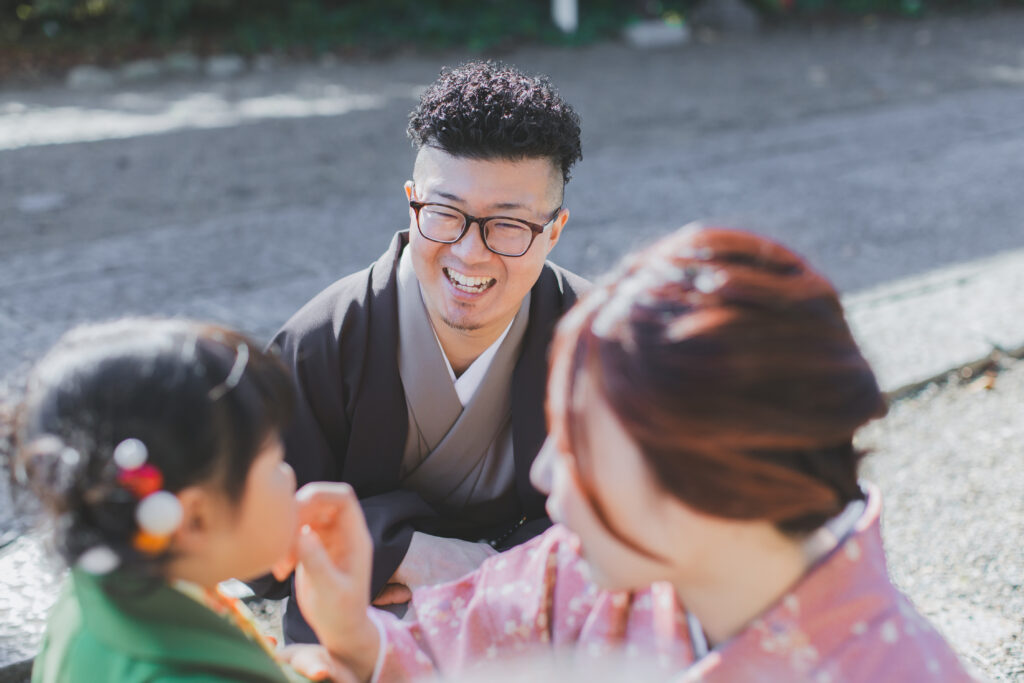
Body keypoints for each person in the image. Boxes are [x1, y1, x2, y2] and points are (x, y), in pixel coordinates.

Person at [282, 226, 975, 682]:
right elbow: (429, 653)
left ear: (712, 474)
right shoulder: (578, 572)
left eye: (583, 446)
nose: (546, 475)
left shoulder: (900, 667)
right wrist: (352, 627)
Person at [253, 60, 589, 642]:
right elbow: (254, 543)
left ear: (553, 230)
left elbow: (654, 518)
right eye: (445, 214)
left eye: (507, 225)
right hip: (367, 636)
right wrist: (401, 548)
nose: (469, 252)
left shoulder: (598, 341)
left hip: (543, 629)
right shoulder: (323, 341)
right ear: (412, 204)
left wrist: (491, 569)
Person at [7, 319, 324, 682]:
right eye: (273, 463)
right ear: (194, 518)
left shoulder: (96, 592)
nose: (288, 476)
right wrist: (358, 643)